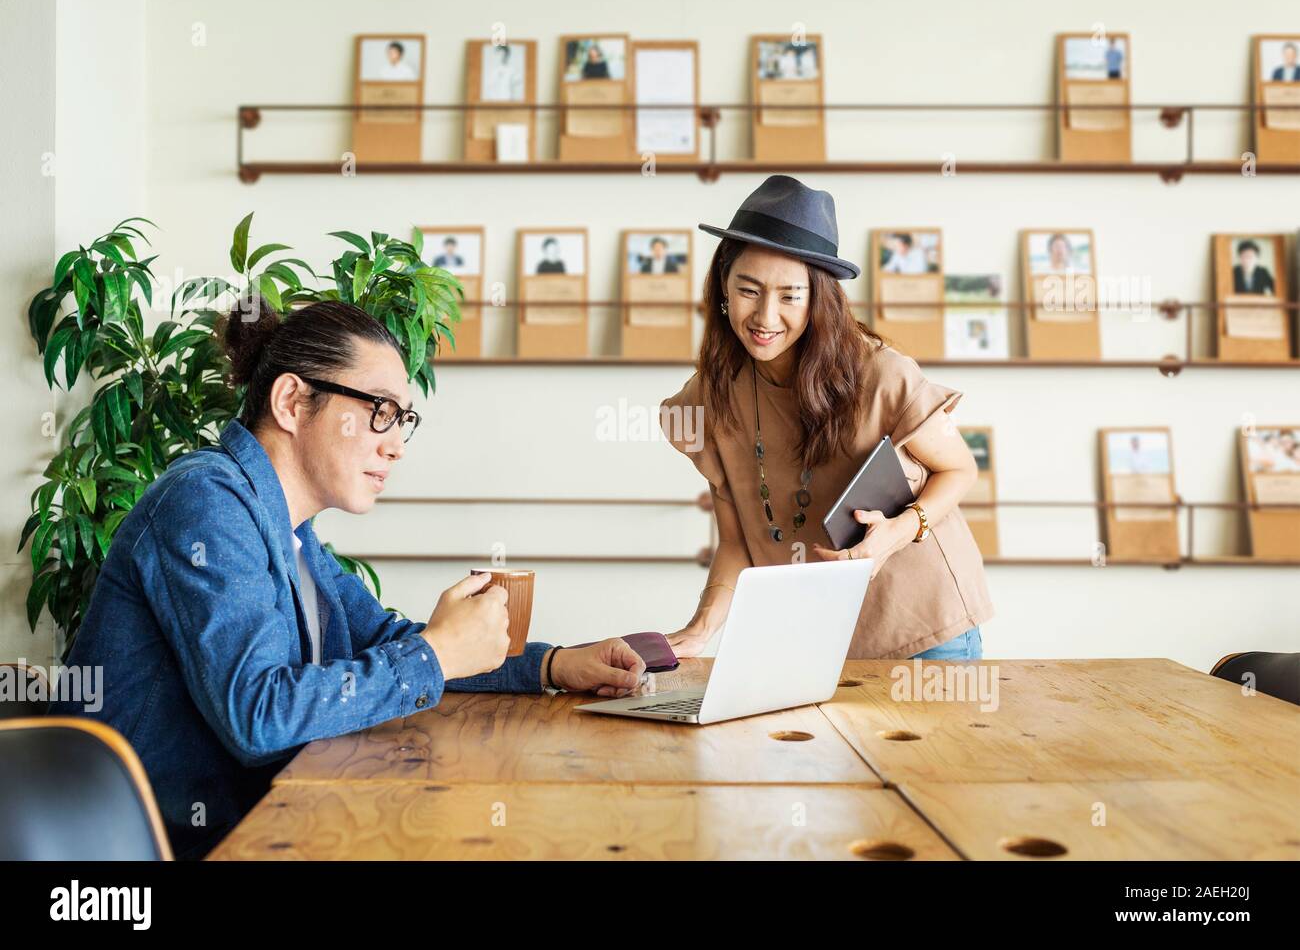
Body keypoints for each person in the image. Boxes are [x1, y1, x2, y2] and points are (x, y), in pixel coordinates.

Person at [51, 299, 644, 858]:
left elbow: (383, 640)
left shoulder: (291, 529)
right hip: (156, 848)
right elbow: (258, 716)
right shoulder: (206, 502)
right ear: (291, 402)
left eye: (402, 420)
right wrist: (434, 654)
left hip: (267, 825)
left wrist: (552, 665)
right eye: (379, 411)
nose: (395, 446)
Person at [659, 175, 993, 661]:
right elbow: (737, 541)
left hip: (924, 627)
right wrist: (701, 629)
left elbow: (960, 469)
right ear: (724, 288)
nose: (766, 317)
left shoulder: (883, 375)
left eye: (790, 296)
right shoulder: (711, 397)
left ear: (818, 299)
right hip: (818, 635)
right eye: (749, 290)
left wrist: (896, 533)